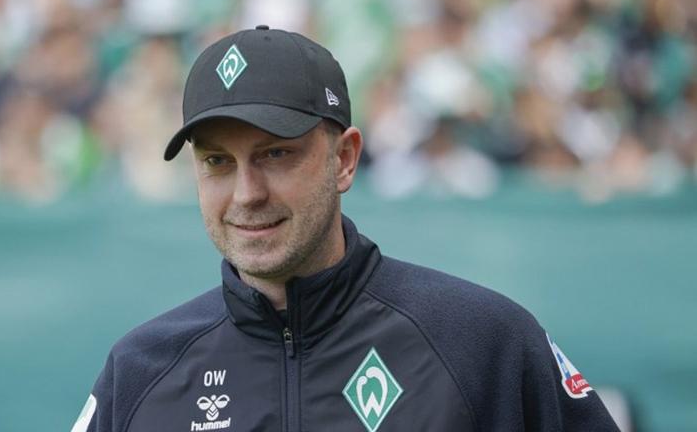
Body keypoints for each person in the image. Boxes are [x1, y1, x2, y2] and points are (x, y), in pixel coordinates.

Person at [72, 26, 619, 432]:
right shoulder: (139, 373)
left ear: (345, 159)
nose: (246, 194)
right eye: (218, 162)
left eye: (276, 153)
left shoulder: (483, 343)